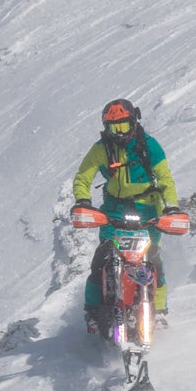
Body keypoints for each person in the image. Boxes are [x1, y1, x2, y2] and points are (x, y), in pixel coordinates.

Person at [71, 98, 180, 335]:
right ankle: (92, 311)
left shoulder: (149, 145)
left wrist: (171, 207)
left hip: (147, 211)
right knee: (103, 258)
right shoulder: (101, 149)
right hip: (113, 211)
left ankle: (159, 310)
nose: (119, 133)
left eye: (123, 125)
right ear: (106, 128)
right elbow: (83, 177)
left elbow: (165, 179)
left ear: (134, 122)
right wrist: (83, 200)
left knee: (152, 259)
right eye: (114, 128)